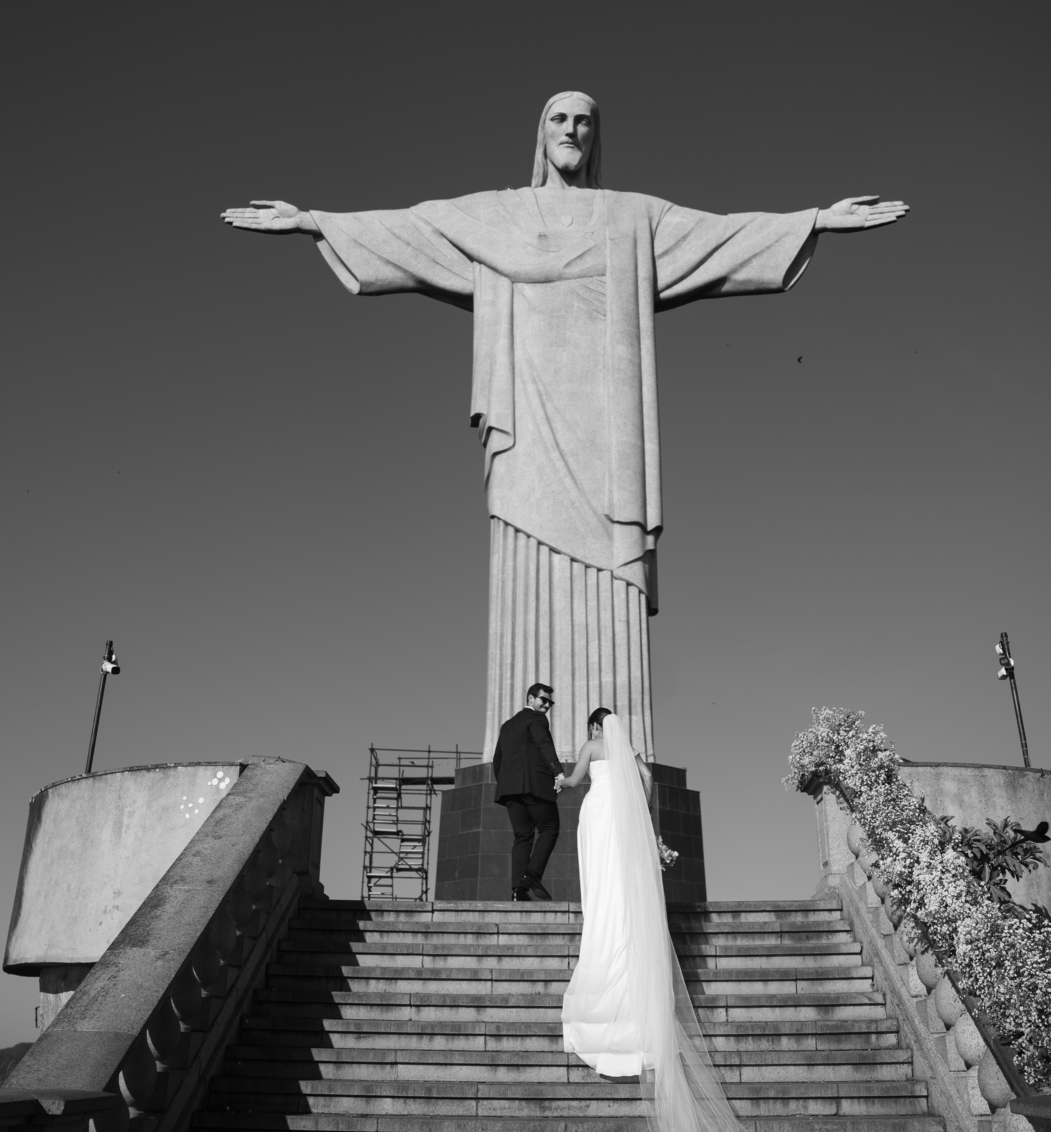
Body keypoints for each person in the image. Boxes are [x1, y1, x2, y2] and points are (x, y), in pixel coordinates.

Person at [221, 96, 906, 767]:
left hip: (608, 423)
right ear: (541, 133)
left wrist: (816, 220)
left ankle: (622, 750)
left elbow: (722, 235)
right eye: (559, 118)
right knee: (523, 552)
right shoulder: (498, 215)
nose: (571, 129)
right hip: (525, 414)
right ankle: (518, 749)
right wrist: (312, 221)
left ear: (596, 136)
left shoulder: (632, 216)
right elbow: (414, 229)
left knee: (612, 555)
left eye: (584, 120)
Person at [561, 709, 811, 1132]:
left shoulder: (593, 749)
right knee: (624, 903)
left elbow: (572, 782)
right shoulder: (636, 763)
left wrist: (561, 778)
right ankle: (629, 977)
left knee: (602, 901)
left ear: (596, 729)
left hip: (597, 823)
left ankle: (603, 972)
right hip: (625, 831)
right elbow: (647, 797)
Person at [491, 682, 565, 901]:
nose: (547, 705)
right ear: (531, 699)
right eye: (543, 700)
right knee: (550, 828)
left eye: (550, 702)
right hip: (535, 785)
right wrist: (558, 773)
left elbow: (497, 760)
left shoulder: (507, 725)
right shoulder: (537, 719)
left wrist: (507, 782)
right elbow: (543, 744)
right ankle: (532, 874)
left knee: (522, 836)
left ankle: (518, 890)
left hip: (511, 790)